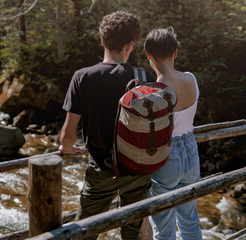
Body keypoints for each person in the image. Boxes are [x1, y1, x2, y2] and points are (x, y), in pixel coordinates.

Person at [59, 11, 157, 240]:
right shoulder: (146, 77)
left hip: (102, 169)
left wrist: (65, 149)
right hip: (138, 168)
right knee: (133, 232)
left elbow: (68, 134)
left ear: (102, 41)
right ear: (131, 44)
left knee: (84, 231)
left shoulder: (83, 77)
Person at [144, 28, 203, 240]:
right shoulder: (191, 79)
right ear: (175, 52)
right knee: (190, 220)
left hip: (166, 156)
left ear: (148, 55)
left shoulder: (153, 91)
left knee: (164, 228)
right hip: (191, 150)